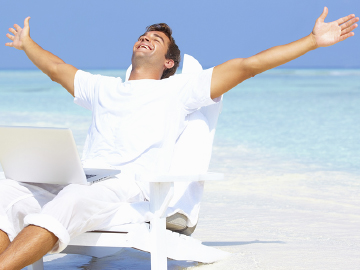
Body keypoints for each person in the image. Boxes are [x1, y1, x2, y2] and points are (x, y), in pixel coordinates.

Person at [0, 7, 358, 270]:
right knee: (6, 190)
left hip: (128, 184)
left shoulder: (181, 91)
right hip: (86, 175)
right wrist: (28, 43)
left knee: (75, 196)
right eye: (144, 35)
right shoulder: (102, 88)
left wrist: (311, 41)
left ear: (169, 63)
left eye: (156, 40)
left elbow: (249, 65)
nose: (146, 39)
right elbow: (57, 68)